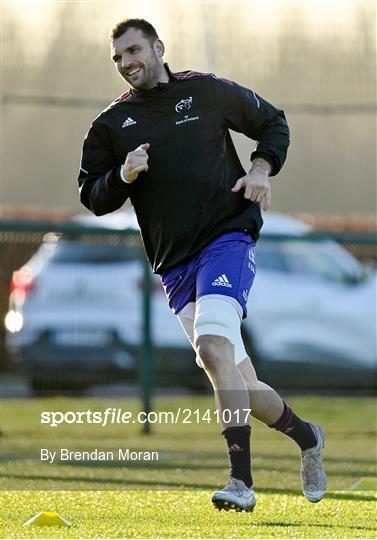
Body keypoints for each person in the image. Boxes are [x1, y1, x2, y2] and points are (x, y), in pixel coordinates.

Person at [78, 18, 326, 512]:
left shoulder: (208, 92)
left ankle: (240, 483)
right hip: (175, 266)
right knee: (241, 383)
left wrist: (260, 168)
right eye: (118, 58)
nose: (127, 63)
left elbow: (274, 121)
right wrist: (123, 176)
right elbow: (91, 195)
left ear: (158, 48)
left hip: (227, 238)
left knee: (214, 349)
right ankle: (308, 437)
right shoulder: (110, 125)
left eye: (134, 51)